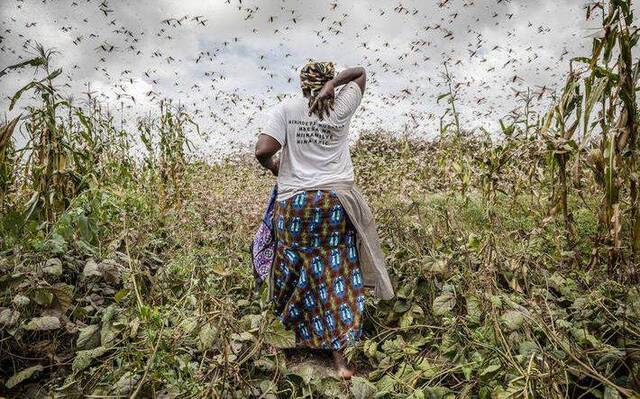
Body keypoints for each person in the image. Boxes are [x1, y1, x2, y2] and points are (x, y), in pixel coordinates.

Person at [254, 61, 394, 379]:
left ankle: (283, 346)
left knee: (290, 268)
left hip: (296, 205)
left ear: (303, 84)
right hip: (335, 203)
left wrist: (276, 167)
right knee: (337, 273)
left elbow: (263, 149)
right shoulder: (339, 104)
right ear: (328, 81)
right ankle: (341, 361)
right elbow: (360, 72)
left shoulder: (285, 109)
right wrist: (335, 84)